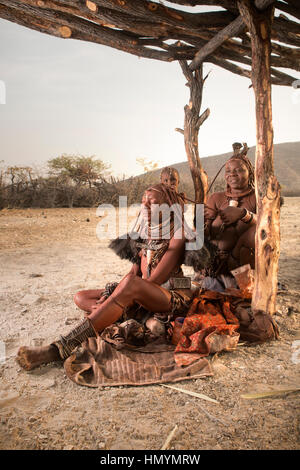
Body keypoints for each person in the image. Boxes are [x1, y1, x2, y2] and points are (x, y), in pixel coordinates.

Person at [17, 183, 206, 371]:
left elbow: (153, 281)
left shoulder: (177, 234)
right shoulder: (143, 233)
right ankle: (114, 314)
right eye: (143, 202)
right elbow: (133, 273)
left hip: (169, 294)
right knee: (81, 297)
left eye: (153, 203)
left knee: (128, 287)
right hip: (141, 292)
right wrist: (110, 297)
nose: (146, 208)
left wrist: (119, 294)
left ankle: (60, 347)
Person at [204, 143, 256, 276]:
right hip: (214, 264)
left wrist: (243, 214)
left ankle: (245, 288)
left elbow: (268, 227)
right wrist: (202, 228)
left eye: (239, 170)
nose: (232, 174)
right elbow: (203, 230)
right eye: (228, 171)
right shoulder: (216, 198)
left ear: (250, 172)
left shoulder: (259, 198)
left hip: (243, 267)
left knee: (256, 231)